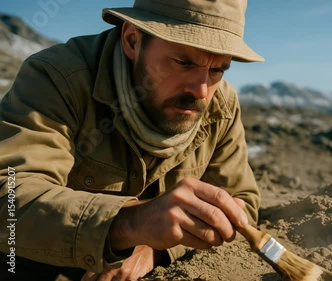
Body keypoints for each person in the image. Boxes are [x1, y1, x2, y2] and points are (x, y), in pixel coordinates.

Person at [0, 0, 264, 280]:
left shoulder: (221, 104)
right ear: (132, 40)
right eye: (183, 62)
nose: (200, 91)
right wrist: (129, 223)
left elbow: (240, 205)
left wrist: (155, 247)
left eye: (217, 70)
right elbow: (10, 197)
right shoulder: (58, 79)